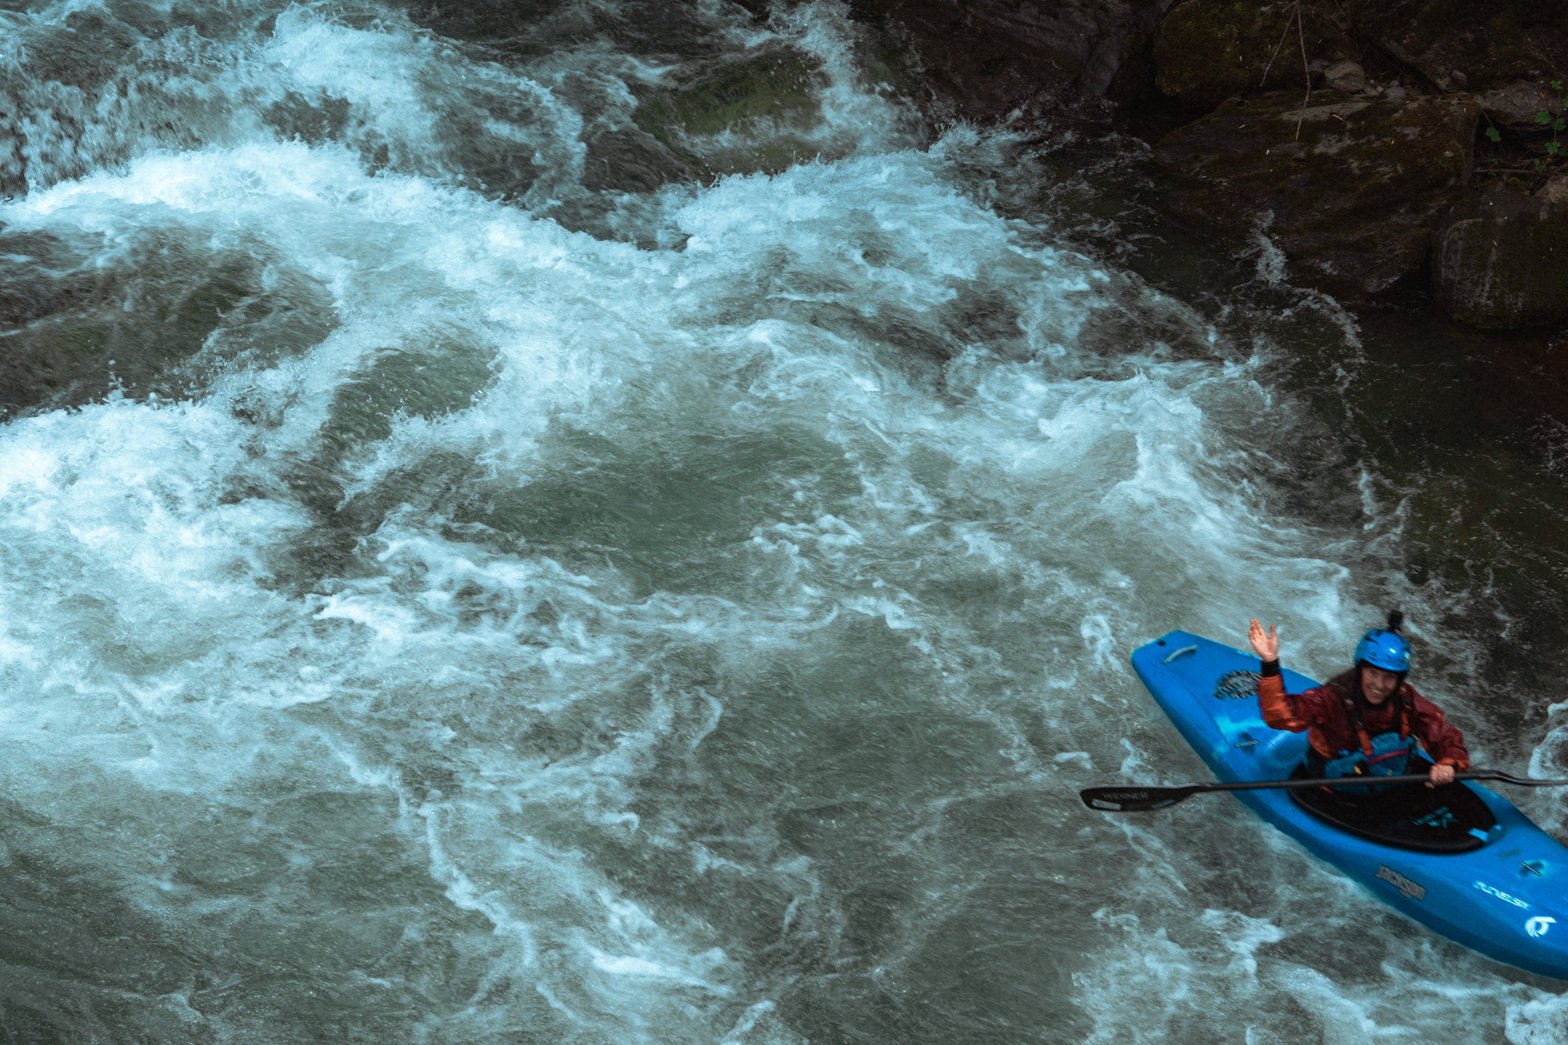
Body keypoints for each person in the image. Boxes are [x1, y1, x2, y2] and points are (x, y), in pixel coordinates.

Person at [1247, 612, 1468, 790]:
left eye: (1389, 677)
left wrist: (1448, 763)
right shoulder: (1332, 698)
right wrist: (1270, 664)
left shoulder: (1404, 697)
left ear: (1399, 680)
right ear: (1360, 669)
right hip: (1338, 786)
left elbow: (1443, 734)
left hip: (1390, 775)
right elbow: (1281, 716)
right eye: (1373, 673)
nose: (1379, 685)